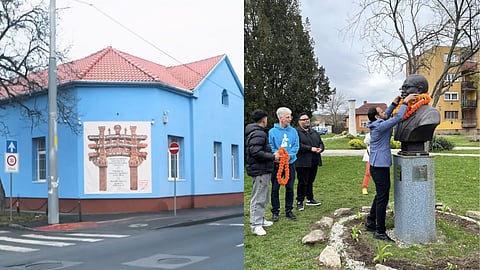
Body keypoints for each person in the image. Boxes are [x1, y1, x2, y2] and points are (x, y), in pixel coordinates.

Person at [365, 93, 418, 242]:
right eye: (381, 111)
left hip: (377, 166)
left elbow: (387, 115)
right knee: (383, 198)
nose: (384, 112)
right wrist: (405, 103)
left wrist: (394, 104)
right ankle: (379, 231)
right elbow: (396, 119)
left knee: (379, 195)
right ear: (377, 116)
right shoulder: (380, 126)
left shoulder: (377, 123)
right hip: (379, 167)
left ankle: (370, 221)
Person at [245, 109, 280, 236]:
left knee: (264, 196)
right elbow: (255, 152)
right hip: (259, 170)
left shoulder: (257, 132)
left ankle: (261, 219)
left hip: (263, 169)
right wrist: (272, 156)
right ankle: (255, 224)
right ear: (264, 119)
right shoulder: (258, 134)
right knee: (259, 196)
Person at [393, 74, 440, 155]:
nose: (402, 91)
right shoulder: (401, 112)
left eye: (406, 88)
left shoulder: (431, 114)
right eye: (402, 88)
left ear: (418, 90)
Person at [269, 107, 299, 222]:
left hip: (290, 163)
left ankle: (289, 210)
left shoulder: (293, 131)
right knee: (275, 189)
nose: (290, 119)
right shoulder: (272, 132)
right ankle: (275, 211)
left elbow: (296, 145)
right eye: (287, 117)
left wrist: (290, 155)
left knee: (290, 188)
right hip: (277, 164)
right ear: (280, 118)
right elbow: (271, 146)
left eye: (290, 116)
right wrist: (276, 155)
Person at [295, 112, 324, 211]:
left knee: (310, 181)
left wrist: (320, 148)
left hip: (314, 160)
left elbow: (321, 143)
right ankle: (299, 201)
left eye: (307, 119)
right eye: (304, 119)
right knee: (303, 182)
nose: (307, 120)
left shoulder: (313, 132)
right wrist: (310, 148)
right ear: (299, 121)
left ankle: (310, 198)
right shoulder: (296, 133)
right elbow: (298, 145)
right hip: (303, 162)